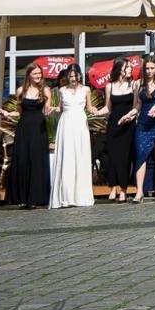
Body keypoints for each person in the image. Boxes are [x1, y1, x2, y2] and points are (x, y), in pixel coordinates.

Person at [51, 63, 100, 208]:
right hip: (66, 124)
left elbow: (89, 107)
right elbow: (60, 108)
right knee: (67, 157)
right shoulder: (62, 90)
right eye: (70, 76)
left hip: (80, 124)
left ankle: (81, 195)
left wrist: (95, 111)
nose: (73, 78)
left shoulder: (86, 90)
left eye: (75, 75)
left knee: (80, 156)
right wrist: (52, 108)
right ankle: (66, 196)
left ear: (79, 75)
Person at [10, 63, 53, 209]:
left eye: (40, 74)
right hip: (24, 128)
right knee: (22, 160)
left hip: (39, 128)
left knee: (37, 160)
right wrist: (7, 113)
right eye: (35, 74)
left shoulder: (45, 90)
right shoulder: (21, 90)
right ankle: (22, 197)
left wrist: (50, 110)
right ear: (29, 75)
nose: (38, 76)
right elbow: (19, 111)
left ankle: (36, 197)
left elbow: (48, 109)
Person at [130, 56, 155, 202]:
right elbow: (137, 105)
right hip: (143, 123)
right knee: (141, 155)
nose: (149, 71)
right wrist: (130, 114)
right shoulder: (138, 84)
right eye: (147, 68)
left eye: (152, 68)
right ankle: (139, 191)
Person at [103, 57, 137, 202]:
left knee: (125, 157)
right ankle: (112, 187)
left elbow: (136, 106)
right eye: (127, 67)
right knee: (112, 156)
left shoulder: (134, 85)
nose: (130, 69)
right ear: (120, 69)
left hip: (128, 124)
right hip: (114, 124)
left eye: (130, 67)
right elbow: (108, 107)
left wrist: (130, 116)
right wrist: (96, 112)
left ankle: (123, 189)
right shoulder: (110, 86)